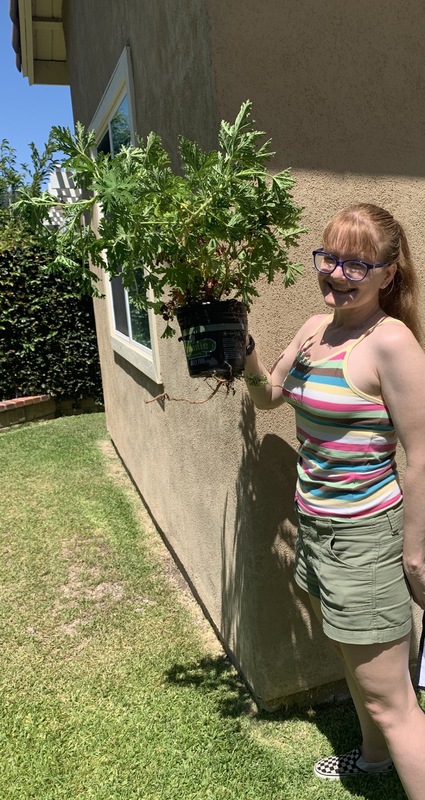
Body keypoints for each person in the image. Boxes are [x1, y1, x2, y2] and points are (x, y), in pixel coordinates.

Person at [244, 203, 425, 799]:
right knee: (357, 666)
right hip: (319, 529)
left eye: (357, 263)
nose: (337, 274)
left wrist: (415, 553)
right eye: (330, 258)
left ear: (387, 273)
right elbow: (271, 393)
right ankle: (372, 761)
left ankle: (389, 753)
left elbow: (422, 456)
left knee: (393, 699)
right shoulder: (316, 330)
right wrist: (237, 345)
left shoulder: (391, 343)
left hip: (366, 538)